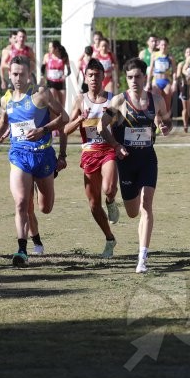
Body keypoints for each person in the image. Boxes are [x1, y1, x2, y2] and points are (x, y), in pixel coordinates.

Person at [0, 55, 69, 267]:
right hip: (19, 155)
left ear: (29, 74)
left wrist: (43, 130)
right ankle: (22, 250)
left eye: (21, 74)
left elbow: (65, 119)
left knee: (45, 207)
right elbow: (4, 122)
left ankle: (35, 233)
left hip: (43, 154)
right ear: (9, 74)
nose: (17, 78)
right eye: (14, 74)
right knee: (21, 203)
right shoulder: (6, 99)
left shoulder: (41, 94)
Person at [106, 58, 172, 273]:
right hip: (126, 161)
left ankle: (142, 256)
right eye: (130, 77)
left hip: (147, 159)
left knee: (146, 206)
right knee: (133, 212)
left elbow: (166, 120)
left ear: (145, 77)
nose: (134, 81)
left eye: (138, 77)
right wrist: (116, 146)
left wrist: (164, 126)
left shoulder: (157, 100)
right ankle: (112, 200)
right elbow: (100, 126)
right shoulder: (118, 101)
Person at [64, 58, 122, 258]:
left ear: (103, 77)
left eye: (98, 75)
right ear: (86, 78)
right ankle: (109, 238)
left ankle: (112, 201)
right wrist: (80, 118)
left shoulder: (112, 99)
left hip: (108, 150)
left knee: (109, 188)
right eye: (90, 75)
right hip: (89, 153)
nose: (94, 79)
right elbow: (65, 129)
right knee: (93, 204)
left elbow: (122, 122)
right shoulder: (80, 101)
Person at [147, 37, 176, 113]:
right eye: (162, 45)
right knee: (156, 104)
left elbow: (174, 71)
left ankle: (167, 121)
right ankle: (157, 123)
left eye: (165, 45)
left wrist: (175, 83)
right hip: (156, 81)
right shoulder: (154, 55)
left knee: (167, 104)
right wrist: (148, 82)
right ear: (158, 46)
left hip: (166, 81)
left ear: (168, 46)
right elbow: (151, 69)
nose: (163, 47)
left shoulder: (171, 57)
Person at [43, 40, 71, 106]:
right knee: (52, 103)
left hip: (61, 83)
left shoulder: (64, 57)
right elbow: (42, 69)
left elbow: (69, 71)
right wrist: (43, 77)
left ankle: (61, 116)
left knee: (62, 105)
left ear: (56, 48)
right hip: (50, 82)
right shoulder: (47, 56)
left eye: (50, 47)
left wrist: (65, 75)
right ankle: (53, 116)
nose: (48, 49)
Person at [176, 46, 190, 133]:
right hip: (185, 87)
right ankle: (185, 124)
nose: (189, 54)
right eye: (187, 52)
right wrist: (180, 85)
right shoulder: (181, 64)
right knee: (185, 108)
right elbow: (178, 76)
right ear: (184, 54)